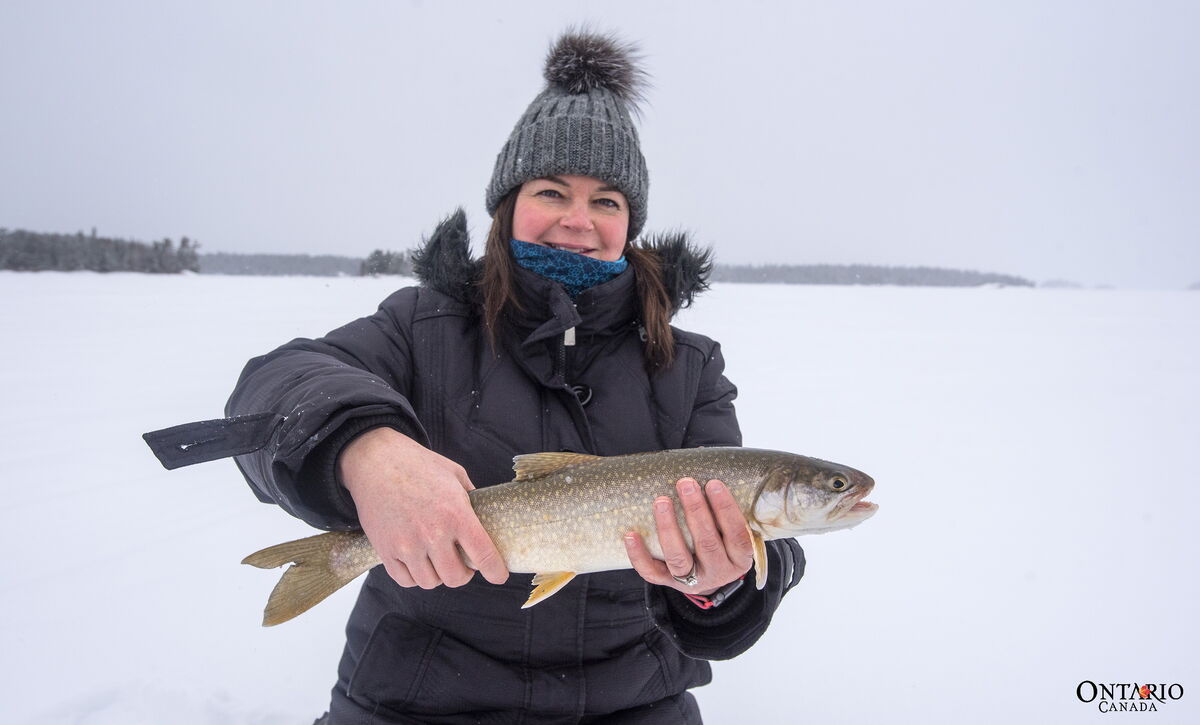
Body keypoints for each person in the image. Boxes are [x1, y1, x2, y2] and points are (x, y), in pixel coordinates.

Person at [225, 30, 805, 724]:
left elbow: (738, 598)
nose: (577, 220)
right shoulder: (422, 325)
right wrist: (365, 450)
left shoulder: (687, 365)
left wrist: (719, 587)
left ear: (632, 223)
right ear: (508, 205)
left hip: (632, 705)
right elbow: (274, 386)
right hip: (415, 703)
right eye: (552, 190)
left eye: (607, 201)